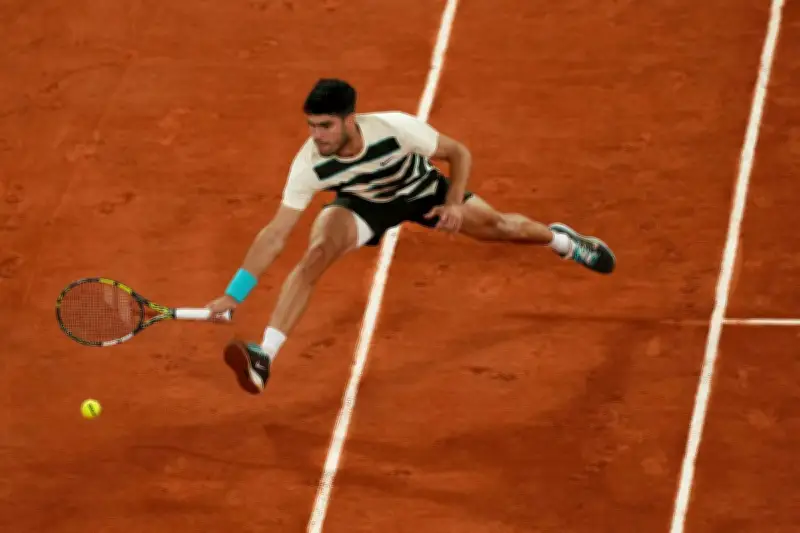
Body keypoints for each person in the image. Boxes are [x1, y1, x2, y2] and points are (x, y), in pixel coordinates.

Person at [206, 78, 616, 395]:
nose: (318, 136)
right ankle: (265, 355)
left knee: (506, 229)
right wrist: (234, 294)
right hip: (364, 204)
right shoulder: (310, 164)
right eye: (312, 126)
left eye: (326, 126)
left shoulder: (395, 128)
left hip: (424, 193)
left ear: (350, 120)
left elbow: (458, 153)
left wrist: (454, 204)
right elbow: (276, 233)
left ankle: (563, 241)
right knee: (315, 254)